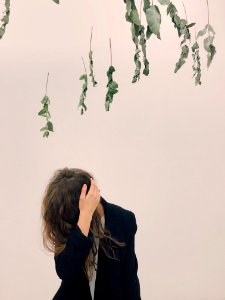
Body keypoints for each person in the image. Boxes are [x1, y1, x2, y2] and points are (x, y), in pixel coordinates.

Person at [41, 167, 141, 300]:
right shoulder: (67, 220)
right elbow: (65, 270)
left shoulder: (123, 220)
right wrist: (85, 217)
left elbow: (129, 279)